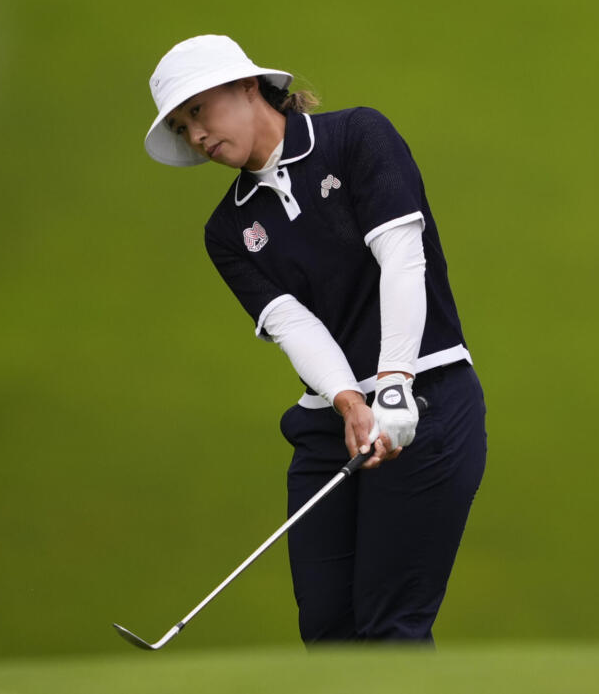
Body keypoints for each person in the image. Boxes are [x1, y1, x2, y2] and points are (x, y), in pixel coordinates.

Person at [142, 35, 486, 644]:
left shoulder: (356, 138)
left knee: (390, 631)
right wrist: (352, 403)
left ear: (248, 87)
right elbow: (295, 326)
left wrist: (395, 381)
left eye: (200, 111)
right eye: (181, 124)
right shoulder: (227, 231)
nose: (195, 135)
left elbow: (403, 259)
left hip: (428, 398)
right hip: (332, 421)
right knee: (329, 632)